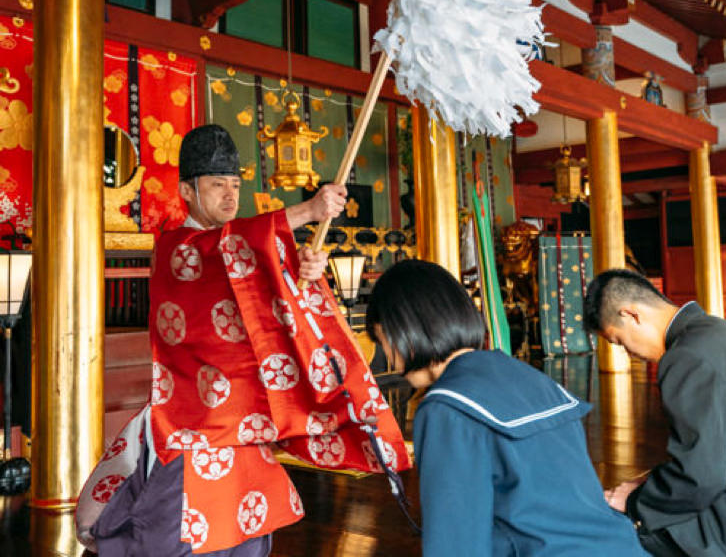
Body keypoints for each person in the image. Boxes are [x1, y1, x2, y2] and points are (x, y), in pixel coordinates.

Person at [77, 124, 411, 555]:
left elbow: (268, 290)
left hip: (247, 423)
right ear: (187, 191)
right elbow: (223, 250)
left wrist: (303, 274)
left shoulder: (237, 245)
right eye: (217, 185)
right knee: (171, 540)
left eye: (235, 185)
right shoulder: (178, 248)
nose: (230, 195)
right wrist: (308, 211)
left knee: (248, 542)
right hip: (193, 422)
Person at [366, 259, 648, 557]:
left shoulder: (446, 408)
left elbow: (457, 542)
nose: (389, 359)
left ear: (405, 329)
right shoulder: (529, 377)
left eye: (383, 340)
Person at [585, 268, 726, 556]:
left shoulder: (687, 356)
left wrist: (634, 500)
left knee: (617, 528)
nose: (628, 353)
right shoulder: (724, 332)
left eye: (619, 341)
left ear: (631, 315)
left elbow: (699, 480)